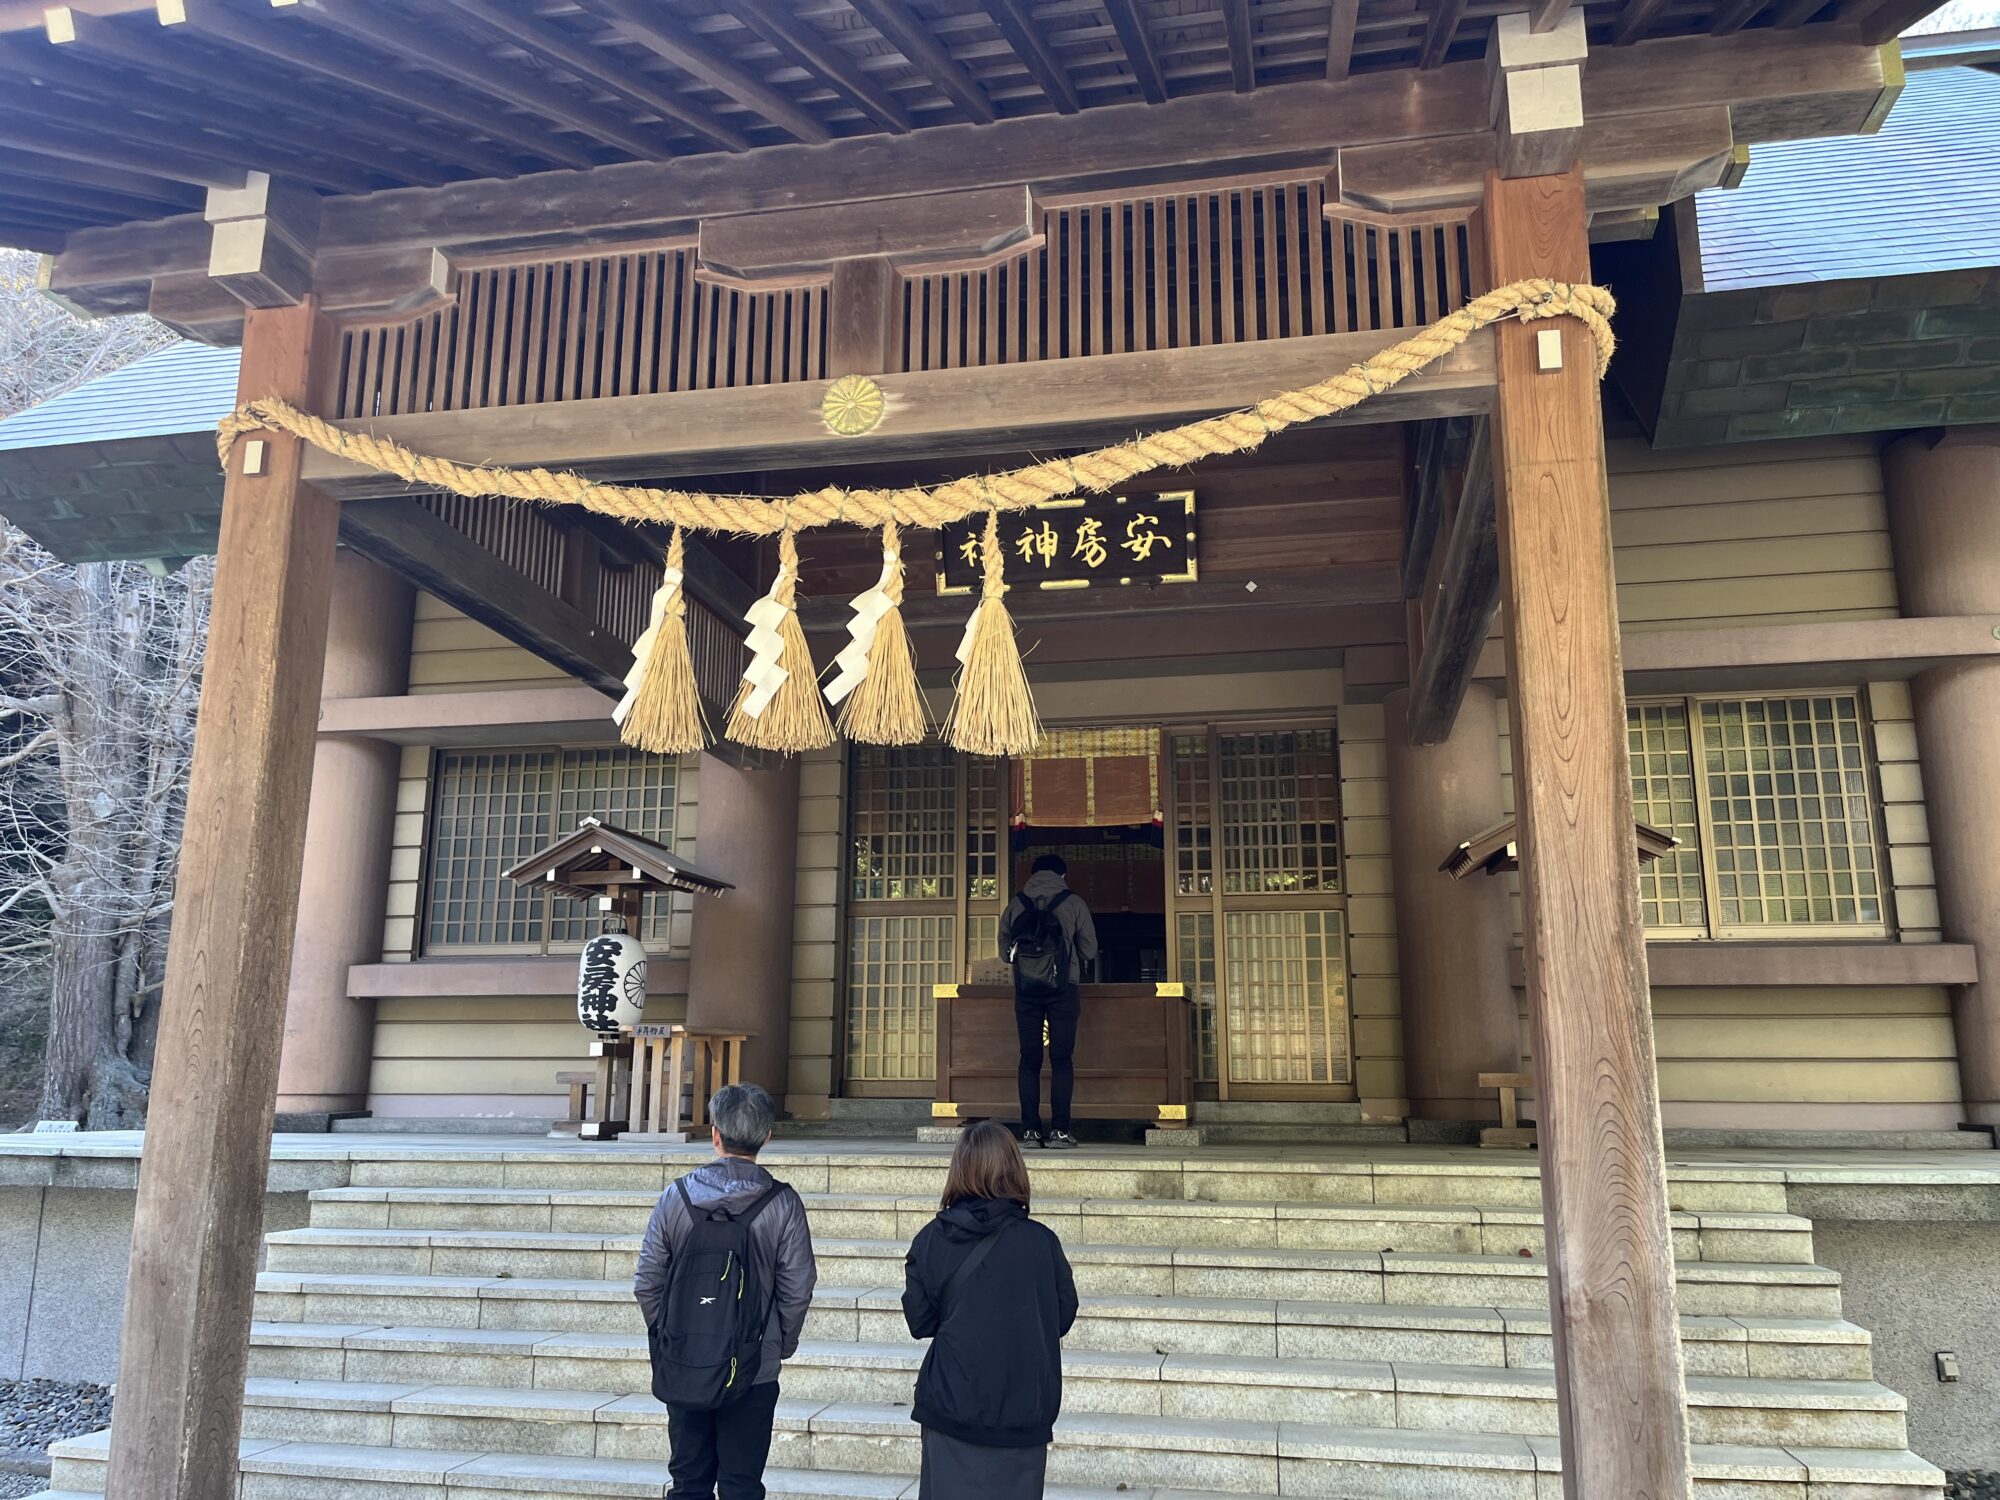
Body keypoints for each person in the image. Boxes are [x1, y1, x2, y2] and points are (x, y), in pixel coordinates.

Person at [634, 1082, 816, 1500]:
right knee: (741, 1484)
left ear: (714, 1134)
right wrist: (780, 1344)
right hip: (754, 1363)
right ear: (767, 1136)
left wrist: (669, 1335)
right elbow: (798, 1286)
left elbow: (647, 1280)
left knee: (688, 1482)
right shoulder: (783, 1204)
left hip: (684, 1359)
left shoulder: (676, 1197)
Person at [902, 1121, 1079, 1499]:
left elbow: (920, 1321)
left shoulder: (931, 1239)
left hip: (952, 1406)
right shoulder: (1042, 1242)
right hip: (1023, 1412)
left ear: (958, 1170)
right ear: (1015, 1169)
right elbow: (1063, 1315)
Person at [999, 852, 1099, 1148]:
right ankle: (1060, 1131)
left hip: (1026, 990)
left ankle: (1030, 1131)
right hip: (1063, 989)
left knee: (1029, 1058)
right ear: (1062, 875)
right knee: (1061, 1058)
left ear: (1032, 874)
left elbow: (1005, 954)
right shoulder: (1074, 902)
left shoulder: (1016, 904)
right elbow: (1089, 950)